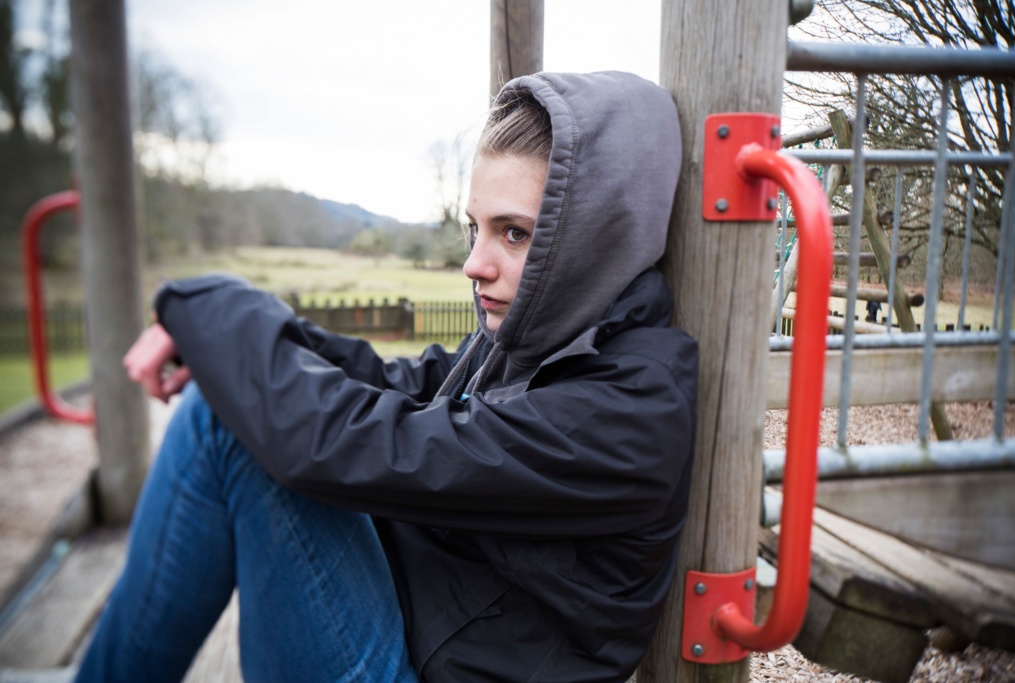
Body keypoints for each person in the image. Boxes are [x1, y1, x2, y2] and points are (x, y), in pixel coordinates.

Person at [74, 71, 696, 683]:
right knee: (231, 396)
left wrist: (211, 312)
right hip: (419, 629)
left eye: (515, 233)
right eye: (474, 228)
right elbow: (388, 381)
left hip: (430, 664)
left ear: (597, 236)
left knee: (226, 422)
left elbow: (356, 442)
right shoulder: (536, 345)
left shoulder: (625, 413)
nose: (474, 264)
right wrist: (235, 331)